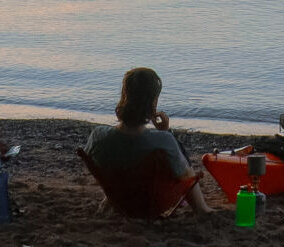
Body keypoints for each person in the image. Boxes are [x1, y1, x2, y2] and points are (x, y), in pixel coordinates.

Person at [84, 67, 213, 213]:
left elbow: (94, 163)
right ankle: (202, 208)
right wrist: (166, 132)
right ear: (153, 102)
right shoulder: (163, 140)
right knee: (182, 161)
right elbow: (184, 175)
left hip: (120, 200)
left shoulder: (99, 136)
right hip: (153, 204)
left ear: (124, 96)